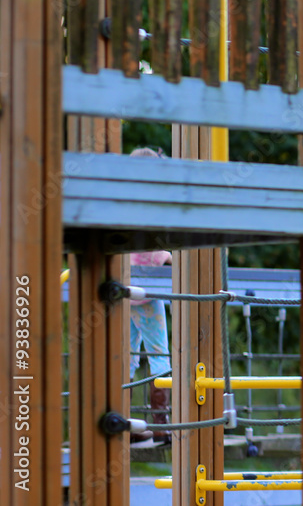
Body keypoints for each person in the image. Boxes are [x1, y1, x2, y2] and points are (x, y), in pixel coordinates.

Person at [128, 147, 173, 443]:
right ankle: (160, 423)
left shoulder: (124, 198)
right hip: (148, 289)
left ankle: (120, 421)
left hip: (123, 290)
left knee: (126, 355)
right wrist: (170, 257)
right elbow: (153, 255)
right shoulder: (154, 202)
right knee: (158, 354)